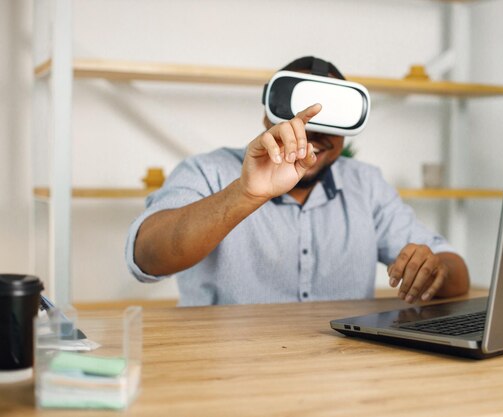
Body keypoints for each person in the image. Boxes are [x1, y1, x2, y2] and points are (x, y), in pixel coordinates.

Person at [125, 56, 470, 306]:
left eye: (334, 120)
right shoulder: (207, 171)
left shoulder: (366, 185)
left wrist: (435, 266)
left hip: (341, 371)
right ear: (268, 114)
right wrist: (243, 194)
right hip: (223, 368)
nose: (317, 133)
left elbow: (457, 275)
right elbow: (146, 257)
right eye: (304, 115)